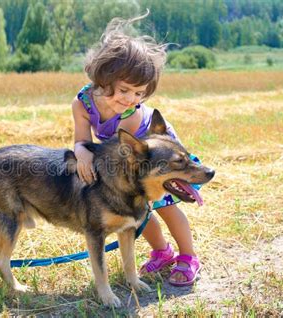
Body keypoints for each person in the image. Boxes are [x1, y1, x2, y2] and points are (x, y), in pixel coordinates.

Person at [71, 12, 201, 286]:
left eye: (139, 93)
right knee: (135, 210)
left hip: (156, 156)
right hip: (124, 156)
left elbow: (136, 149)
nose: (131, 99)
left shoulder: (132, 113)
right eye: (125, 90)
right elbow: (82, 141)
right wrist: (81, 153)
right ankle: (162, 252)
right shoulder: (82, 103)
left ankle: (188, 256)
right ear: (104, 79)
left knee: (164, 206)